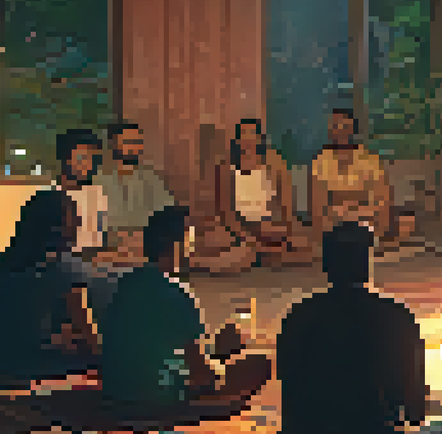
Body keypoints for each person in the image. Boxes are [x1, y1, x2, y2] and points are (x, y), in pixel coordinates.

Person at [278, 222, 442, 434]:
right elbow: (415, 413)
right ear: (367, 264)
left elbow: (289, 392)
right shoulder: (396, 318)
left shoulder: (297, 317)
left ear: (326, 265)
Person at [98, 204, 264, 413]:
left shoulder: (126, 281)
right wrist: (220, 366)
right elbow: (202, 374)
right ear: (179, 243)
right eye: (191, 238)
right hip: (154, 395)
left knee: (232, 335)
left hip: (115, 388)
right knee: (259, 363)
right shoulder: (177, 293)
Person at [0, 189, 115, 382]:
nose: (79, 225)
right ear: (64, 226)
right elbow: (91, 339)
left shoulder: (0, 268)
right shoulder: (66, 269)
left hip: (0, 365)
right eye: (76, 219)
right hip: (43, 370)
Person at [203, 119, 315, 270]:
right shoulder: (225, 166)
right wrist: (245, 236)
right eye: (243, 134)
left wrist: (287, 228)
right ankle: (263, 254)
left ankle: (261, 254)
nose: (248, 139)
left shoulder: (274, 160)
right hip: (239, 225)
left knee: (309, 248)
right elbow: (225, 211)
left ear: (259, 138)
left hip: (270, 224)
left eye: (252, 134)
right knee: (214, 240)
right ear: (236, 139)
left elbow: (286, 202)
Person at [309, 108, 395, 247]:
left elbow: (382, 198)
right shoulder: (321, 160)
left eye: (344, 126)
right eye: (335, 126)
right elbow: (318, 204)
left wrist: (360, 209)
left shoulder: (369, 159)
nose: (340, 131)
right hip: (335, 219)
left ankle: (372, 242)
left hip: (365, 217)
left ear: (353, 130)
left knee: (405, 222)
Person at [96, 121, 175, 262]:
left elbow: (166, 215)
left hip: (145, 246)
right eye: (127, 142)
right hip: (107, 246)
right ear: (113, 144)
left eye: (137, 142)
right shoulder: (97, 179)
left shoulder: (151, 179)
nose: (133, 147)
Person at [53, 128, 108, 253]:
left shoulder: (96, 193)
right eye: (82, 158)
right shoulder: (50, 196)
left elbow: (99, 239)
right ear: (65, 159)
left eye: (92, 159)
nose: (88, 164)